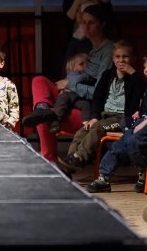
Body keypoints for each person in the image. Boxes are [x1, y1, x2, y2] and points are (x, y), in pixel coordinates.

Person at [21, 3, 114, 163]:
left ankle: (50, 161)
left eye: (91, 22)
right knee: (40, 81)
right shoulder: (93, 50)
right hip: (75, 98)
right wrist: (70, 82)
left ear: (102, 24)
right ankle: (42, 108)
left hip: (90, 110)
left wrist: (70, 84)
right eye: (83, 22)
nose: (85, 26)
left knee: (46, 118)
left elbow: (100, 93)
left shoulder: (109, 50)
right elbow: (81, 77)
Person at [59, 40, 143, 171]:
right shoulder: (107, 75)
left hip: (121, 119)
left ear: (133, 58)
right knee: (83, 130)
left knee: (97, 129)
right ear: (113, 58)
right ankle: (70, 162)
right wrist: (94, 117)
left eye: (125, 56)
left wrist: (132, 72)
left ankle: (80, 157)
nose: (121, 60)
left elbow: (142, 90)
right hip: (105, 116)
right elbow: (97, 98)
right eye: (117, 56)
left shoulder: (136, 79)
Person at [87, 54, 147, 194]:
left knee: (133, 140)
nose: (145, 70)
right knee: (118, 145)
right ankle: (104, 178)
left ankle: (142, 169)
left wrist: (144, 122)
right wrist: (139, 113)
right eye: (144, 67)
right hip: (141, 121)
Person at [48, 51, 92, 135]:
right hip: (69, 94)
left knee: (85, 104)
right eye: (81, 64)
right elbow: (80, 79)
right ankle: (56, 121)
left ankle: (85, 123)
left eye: (88, 63)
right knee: (62, 100)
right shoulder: (73, 74)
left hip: (78, 98)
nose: (86, 66)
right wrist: (88, 75)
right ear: (72, 68)